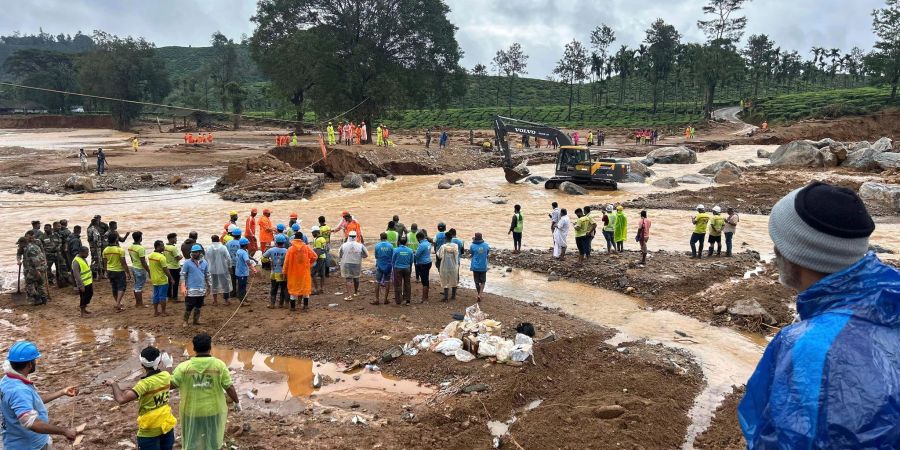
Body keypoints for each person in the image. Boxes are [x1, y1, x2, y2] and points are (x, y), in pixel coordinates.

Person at [739, 182, 900, 448]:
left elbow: (785, 438)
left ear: (793, 256)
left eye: (777, 243)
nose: (775, 253)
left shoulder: (807, 346)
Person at [0, 341, 79, 449]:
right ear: (29, 364)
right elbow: (32, 423)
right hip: (29, 446)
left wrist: (62, 392)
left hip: (15, 441)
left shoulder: (7, 380)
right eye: (34, 360)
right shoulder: (19, 390)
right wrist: (64, 431)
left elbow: (33, 401)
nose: (35, 362)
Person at [171, 333, 240, 450]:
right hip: (213, 411)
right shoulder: (219, 365)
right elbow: (229, 387)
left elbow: (171, 384)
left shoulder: (183, 367)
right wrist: (237, 402)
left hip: (190, 411)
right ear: (210, 347)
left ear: (193, 348)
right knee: (212, 439)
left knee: (192, 440)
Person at [105, 346, 176, 450]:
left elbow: (121, 399)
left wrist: (113, 384)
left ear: (142, 364)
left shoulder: (144, 384)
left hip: (149, 431)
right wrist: (169, 364)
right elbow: (169, 374)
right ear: (160, 362)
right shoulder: (165, 376)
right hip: (167, 426)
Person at [282, 233, 316, 311]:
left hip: (293, 273)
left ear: (295, 238)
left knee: (293, 290)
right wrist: (309, 264)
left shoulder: (290, 249)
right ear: (302, 238)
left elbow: (286, 262)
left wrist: (284, 272)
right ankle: (305, 306)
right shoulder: (306, 248)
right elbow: (314, 257)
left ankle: (293, 307)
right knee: (305, 289)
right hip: (304, 272)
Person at [180, 245, 211, 327]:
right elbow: (183, 275)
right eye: (193, 252)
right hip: (191, 289)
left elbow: (207, 275)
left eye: (196, 252)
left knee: (198, 305)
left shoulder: (204, 263)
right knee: (190, 305)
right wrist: (183, 287)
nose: (194, 254)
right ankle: (185, 321)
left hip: (201, 288)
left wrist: (209, 286)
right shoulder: (187, 263)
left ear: (200, 252)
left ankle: (196, 320)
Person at [103, 234, 131, 312]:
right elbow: (123, 263)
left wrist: (106, 271)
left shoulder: (105, 250)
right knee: (121, 287)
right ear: (116, 240)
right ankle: (118, 303)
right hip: (119, 271)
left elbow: (105, 262)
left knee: (114, 287)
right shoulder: (120, 250)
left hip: (110, 270)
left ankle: (117, 302)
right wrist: (128, 272)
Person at [148, 240, 174, 317]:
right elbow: (165, 269)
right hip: (162, 279)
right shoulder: (161, 257)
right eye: (162, 246)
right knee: (162, 296)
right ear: (158, 247)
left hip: (154, 278)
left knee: (155, 295)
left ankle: (155, 312)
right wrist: (171, 278)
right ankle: (163, 312)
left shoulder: (150, 255)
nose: (164, 247)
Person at [339, 230, 367, 299]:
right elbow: (366, 254)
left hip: (346, 263)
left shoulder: (344, 245)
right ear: (356, 237)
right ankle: (356, 292)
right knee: (356, 278)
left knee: (348, 279)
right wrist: (360, 256)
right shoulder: (360, 245)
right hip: (356, 263)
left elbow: (340, 255)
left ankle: (349, 295)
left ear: (348, 237)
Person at [205, 235, 232, 306]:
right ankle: (226, 301)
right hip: (223, 268)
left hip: (212, 269)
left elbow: (206, 259)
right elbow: (228, 258)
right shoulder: (223, 247)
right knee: (225, 284)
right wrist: (229, 266)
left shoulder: (209, 248)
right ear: (219, 240)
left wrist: (207, 268)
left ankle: (215, 301)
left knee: (214, 284)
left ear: (212, 240)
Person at [263, 234, 289, 308]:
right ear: (283, 243)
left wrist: (269, 261)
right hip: (283, 273)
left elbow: (263, 258)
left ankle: (272, 304)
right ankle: (282, 304)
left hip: (274, 273)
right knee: (284, 288)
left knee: (274, 288)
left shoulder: (271, 250)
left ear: (275, 242)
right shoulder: (286, 251)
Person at [129, 231, 151, 307]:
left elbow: (132, 258)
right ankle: (140, 303)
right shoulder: (140, 248)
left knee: (137, 285)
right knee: (139, 286)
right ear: (140, 238)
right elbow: (143, 262)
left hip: (134, 267)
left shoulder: (130, 247)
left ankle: (137, 303)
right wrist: (149, 271)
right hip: (140, 268)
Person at [391, 236, 415, 305]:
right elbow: (411, 261)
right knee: (407, 284)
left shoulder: (395, 250)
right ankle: (407, 300)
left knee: (398, 284)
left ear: (399, 242)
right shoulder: (410, 250)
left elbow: (393, 260)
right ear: (406, 242)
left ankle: (398, 300)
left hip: (397, 268)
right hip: (407, 268)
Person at [71, 246, 94, 316]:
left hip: (88, 282)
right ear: (81, 253)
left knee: (89, 294)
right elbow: (76, 275)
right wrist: (81, 285)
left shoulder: (83, 259)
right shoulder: (76, 261)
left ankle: (84, 309)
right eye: (86, 253)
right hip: (83, 283)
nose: (88, 255)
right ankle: (82, 312)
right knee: (84, 297)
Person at [437, 230, 460, 301]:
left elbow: (439, 256)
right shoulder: (455, 246)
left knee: (445, 281)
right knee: (454, 280)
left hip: (444, 266)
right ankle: (453, 296)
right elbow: (457, 255)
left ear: (445, 238)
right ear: (451, 238)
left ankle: (446, 297)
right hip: (454, 266)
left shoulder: (443, 247)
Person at [234, 238, 258, 304]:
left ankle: (244, 298)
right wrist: (254, 269)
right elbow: (247, 262)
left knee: (242, 286)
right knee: (242, 287)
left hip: (239, 271)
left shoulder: (239, 250)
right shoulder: (244, 252)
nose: (248, 245)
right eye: (248, 244)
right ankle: (242, 301)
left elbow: (247, 256)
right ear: (245, 245)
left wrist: (254, 259)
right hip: (242, 272)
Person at [373, 233, 394, 305]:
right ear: (386, 238)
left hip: (379, 266)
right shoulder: (391, 246)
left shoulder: (377, 246)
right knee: (387, 281)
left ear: (380, 238)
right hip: (388, 266)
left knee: (377, 282)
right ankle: (385, 299)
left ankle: (376, 299)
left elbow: (376, 256)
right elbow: (392, 256)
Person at [469, 233, 490, 302]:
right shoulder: (486, 245)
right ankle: (480, 295)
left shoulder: (472, 246)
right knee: (483, 282)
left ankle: (479, 294)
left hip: (475, 266)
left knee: (476, 282)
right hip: (483, 266)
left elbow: (471, 253)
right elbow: (487, 253)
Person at [414, 230, 432, 302]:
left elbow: (417, 255)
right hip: (428, 262)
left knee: (424, 281)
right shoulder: (428, 243)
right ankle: (426, 297)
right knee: (426, 279)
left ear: (419, 238)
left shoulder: (421, 245)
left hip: (423, 264)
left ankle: (424, 298)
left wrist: (414, 253)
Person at [164, 233, 183, 302]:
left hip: (168, 267)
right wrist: (181, 256)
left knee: (169, 282)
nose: (176, 239)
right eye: (175, 238)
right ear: (171, 239)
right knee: (176, 283)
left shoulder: (165, 247)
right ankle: (175, 297)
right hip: (175, 267)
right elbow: (177, 257)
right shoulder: (173, 248)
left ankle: (169, 296)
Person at [311, 228, 328, 295]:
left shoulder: (318, 240)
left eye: (313, 233)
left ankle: (316, 289)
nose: (312, 234)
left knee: (312, 273)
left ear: (316, 232)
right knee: (322, 274)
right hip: (323, 257)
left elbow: (318, 251)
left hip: (319, 258)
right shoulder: (323, 238)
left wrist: (313, 259)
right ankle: (322, 288)